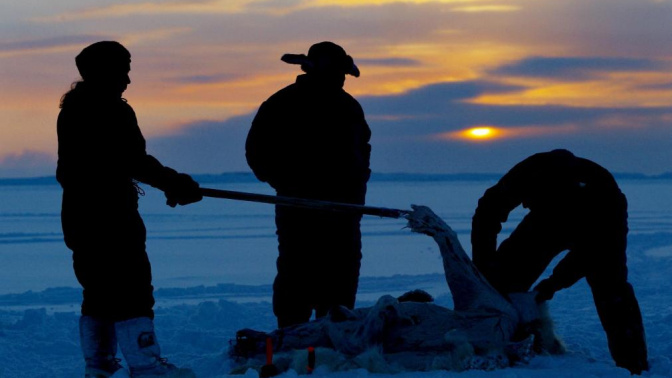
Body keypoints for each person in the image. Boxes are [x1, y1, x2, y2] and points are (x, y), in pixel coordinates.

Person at [57, 41, 201, 378]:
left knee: (99, 293)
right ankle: (145, 366)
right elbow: (131, 160)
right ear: (104, 72)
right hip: (110, 217)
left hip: (79, 216)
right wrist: (174, 182)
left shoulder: (74, 108)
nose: (128, 80)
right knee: (133, 291)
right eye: (123, 70)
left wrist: (169, 183)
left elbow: (117, 164)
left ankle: (99, 366)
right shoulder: (109, 109)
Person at [471, 149, 648, 374]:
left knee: (611, 289)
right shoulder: (529, 173)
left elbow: (588, 256)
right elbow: (487, 212)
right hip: (548, 217)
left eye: (530, 201)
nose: (524, 206)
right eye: (526, 200)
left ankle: (633, 364)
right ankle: (501, 342)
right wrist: (483, 266)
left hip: (597, 220)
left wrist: (551, 285)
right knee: (502, 278)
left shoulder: (604, 199)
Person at [245, 41, 371, 328]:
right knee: (297, 271)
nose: (341, 79)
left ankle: (334, 334)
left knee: (342, 273)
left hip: (344, 210)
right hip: (297, 208)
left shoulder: (349, 107)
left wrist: (356, 194)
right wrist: (286, 186)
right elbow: (257, 151)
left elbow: (362, 152)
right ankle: (292, 335)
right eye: (337, 73)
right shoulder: (282, 103)